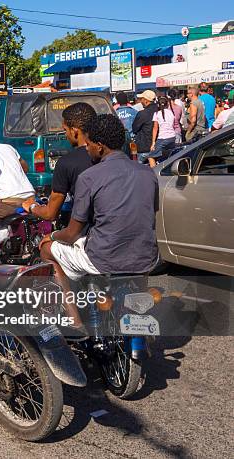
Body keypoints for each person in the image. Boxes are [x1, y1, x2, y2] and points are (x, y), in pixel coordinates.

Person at [39, 114, 159, 329]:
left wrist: (52, 236)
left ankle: (74, 321)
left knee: (48, 250)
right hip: (146, 256)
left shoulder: (90, 176)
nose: (87, 148)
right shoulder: (147, 173)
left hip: (103, 259)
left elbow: (72, 233)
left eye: (89, 144)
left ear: (100, 146)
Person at [22, 102, 96, 223]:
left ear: (74, 131)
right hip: (120, 226)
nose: (65, 135)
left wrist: (32, 207)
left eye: (65, 130)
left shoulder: (66, 163)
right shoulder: (107, 154)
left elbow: (51, 214)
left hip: (88, 231)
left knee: (47, 242)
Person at [148, 96, 177, 167]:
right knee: (168, 156)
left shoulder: (157, 114)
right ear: (167, 104)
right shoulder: (171, 113)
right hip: (172, 137)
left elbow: (155, 128)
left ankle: (155, 173)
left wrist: (153, 143)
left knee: (150, 156)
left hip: (163, 138)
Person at [132, 90, 158, 163]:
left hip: (144, 147)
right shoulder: (159, 111)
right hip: (158, 146)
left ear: (146, 101)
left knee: (139, 169)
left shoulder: (143, 113)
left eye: (141, 99)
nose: (140, 101)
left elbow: (134, 129)